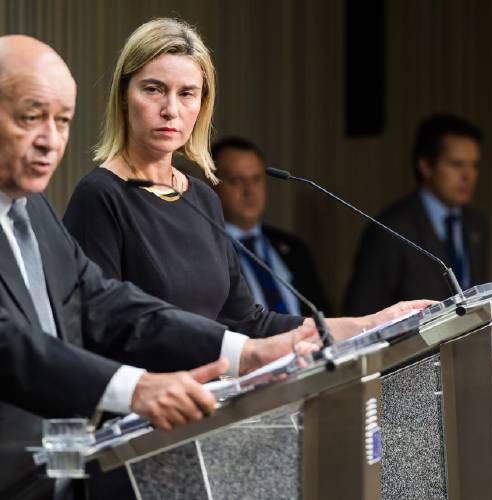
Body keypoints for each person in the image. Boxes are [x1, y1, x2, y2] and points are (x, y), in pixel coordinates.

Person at [62, 18, 430, 499]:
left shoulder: (201, 198)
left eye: (187, 93)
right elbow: (99, 333)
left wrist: (367, 325)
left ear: (203, 104)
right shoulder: (100, 197)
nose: (171, 108)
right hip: (141, 445)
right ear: (123, 93)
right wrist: (229, 355)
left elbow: (248, 321)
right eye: (154, 89)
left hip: (216, 434)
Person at [0, 34, 318, 500]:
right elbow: (9, 342)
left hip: (60, 475)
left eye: (63, 121)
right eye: (32, 117)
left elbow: (104, 302)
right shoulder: (99, 194)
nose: (51, 140)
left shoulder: (34, 210)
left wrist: (245, 354)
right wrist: (135, 388)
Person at [344, 114, 489, 316]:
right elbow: (362, 311)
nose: (468, 175)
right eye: (456, 164)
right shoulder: (391, 228)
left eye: (474, 165)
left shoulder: (476, 223)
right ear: (426, 166)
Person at [212, 136, 333, 316]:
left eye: (256, 179)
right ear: (211, 184)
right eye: (237, 180)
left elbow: (324, 315)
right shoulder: (207, 250)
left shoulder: (294, 248)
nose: (249, 190)